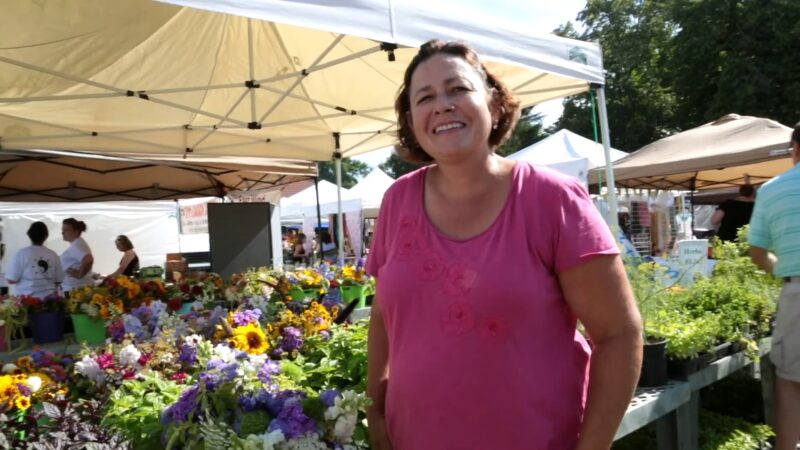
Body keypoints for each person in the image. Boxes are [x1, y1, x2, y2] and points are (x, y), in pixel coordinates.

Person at [365, 40, 642, 450]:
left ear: (493, 103)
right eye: (425, 97)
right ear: (411, 120)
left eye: (457, 88)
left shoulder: (551, 199)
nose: (442, 105)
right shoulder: (397, 201)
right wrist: (376, 410)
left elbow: (619, 334)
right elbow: (384, 317)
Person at [749, 122, 800, 450]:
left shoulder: (773, 189)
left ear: (795, 148)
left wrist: (780, 268)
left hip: (797, 291)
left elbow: (757, 253)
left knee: (790, 381)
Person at [6, 222, 64, 299]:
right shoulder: (53, 255)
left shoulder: (21, 254)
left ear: (29, 235)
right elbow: (59, 280)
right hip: (49, 302)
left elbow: (11, 279)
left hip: (26, 303)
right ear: (46, 236)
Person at [711, 176, 756, 242]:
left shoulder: (728, 204)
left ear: (740, 192)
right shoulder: (755, 206)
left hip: (726, 240)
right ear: (752, 193)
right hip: (745, 241)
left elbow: (714, 220)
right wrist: (748, 183)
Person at [60, 218, 94, 294]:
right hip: (77, 289)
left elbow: (88, 259)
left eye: (66, 230)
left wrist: (80, 274)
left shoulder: (76, 245)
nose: (62, 232)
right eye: (62, 230)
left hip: (76, 290)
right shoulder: (78, 243)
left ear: (76, 231)